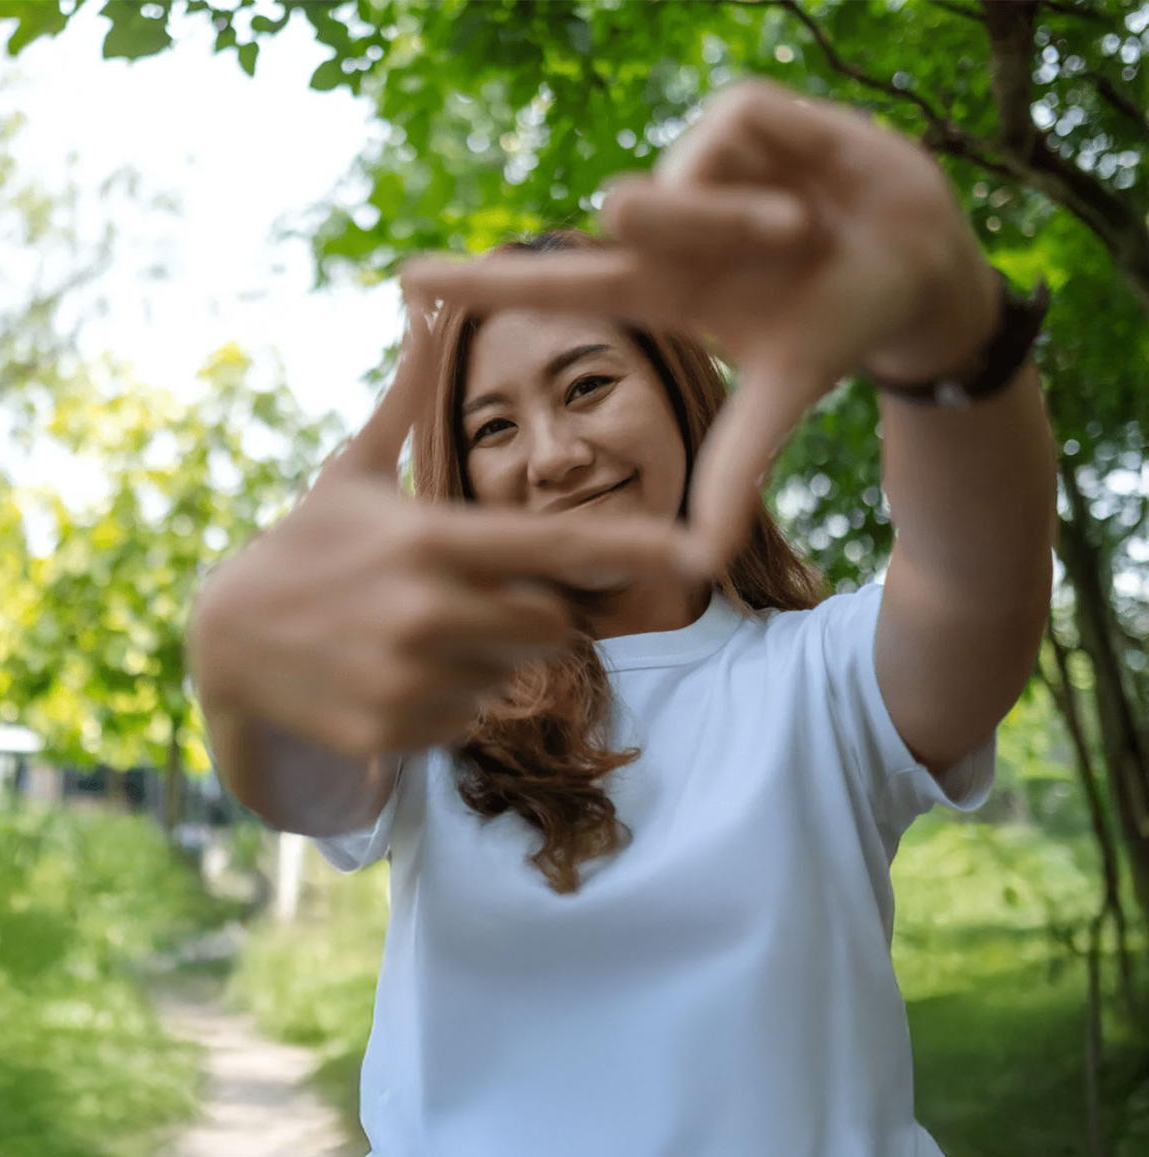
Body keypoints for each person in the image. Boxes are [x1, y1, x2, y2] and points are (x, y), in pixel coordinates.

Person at [185, 79, 1057, 1156]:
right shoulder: (433, 695)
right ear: (456, 475)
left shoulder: (823, 681)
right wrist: (243, 675)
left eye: (587, 385)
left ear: (682, 393)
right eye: (493, 426)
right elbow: (296, 776)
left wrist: (946, 329)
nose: (552, 454)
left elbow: (977, 581)